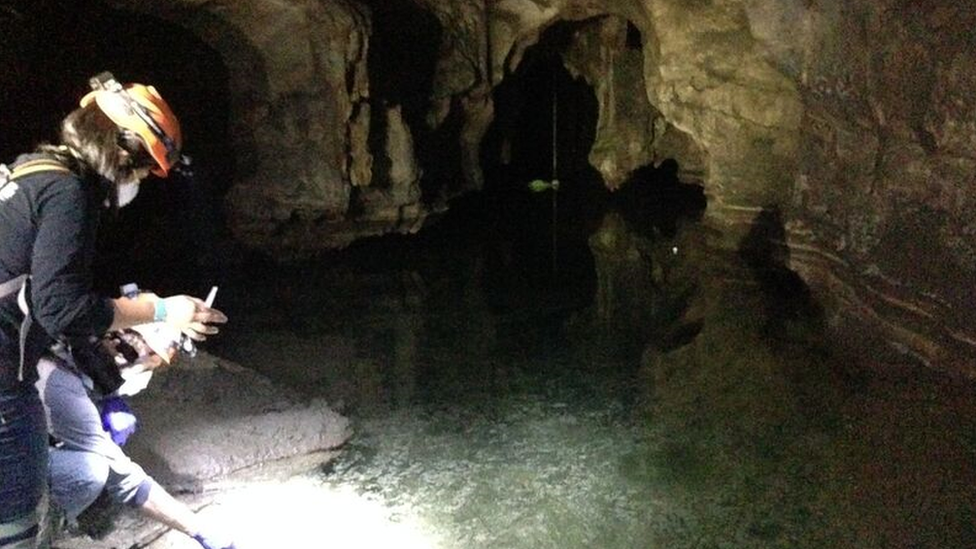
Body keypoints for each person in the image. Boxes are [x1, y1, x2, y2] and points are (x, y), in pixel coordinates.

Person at [0, 72, 227, 549]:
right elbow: (62, 307)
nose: (141, 180)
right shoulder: (68, 194)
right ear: (122, 152)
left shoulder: (32, 171)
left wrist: (201, 530)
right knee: (27, 510)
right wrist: (161, 311)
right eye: (145, 169)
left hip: (12, 367)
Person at [36, 315, 236, 549]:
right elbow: (126, 480)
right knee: (89, 470)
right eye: (140, 356)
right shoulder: (56, 381)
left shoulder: (62, 360)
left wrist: (108, 399)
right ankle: (27, 538)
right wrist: (199, 529)